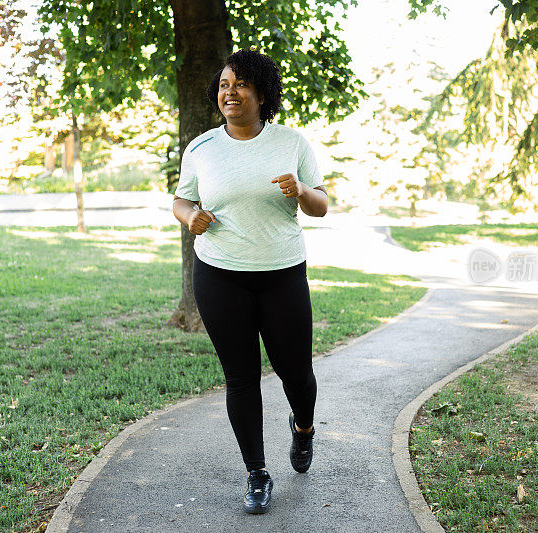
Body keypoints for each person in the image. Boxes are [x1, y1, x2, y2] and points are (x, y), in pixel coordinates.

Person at [171, 48, 329, 515]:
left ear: (261, 92)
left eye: (239, 84)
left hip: (281, 273)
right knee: (241, 377)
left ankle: (303, 428)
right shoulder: (201, 148)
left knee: (295, 372)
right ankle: (257, 473)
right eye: (223, 85)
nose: (229, 92)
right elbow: (180, 201)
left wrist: (300, 191)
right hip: (220, 274)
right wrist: (191, 217)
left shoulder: (292, 143)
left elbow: (321, 204)